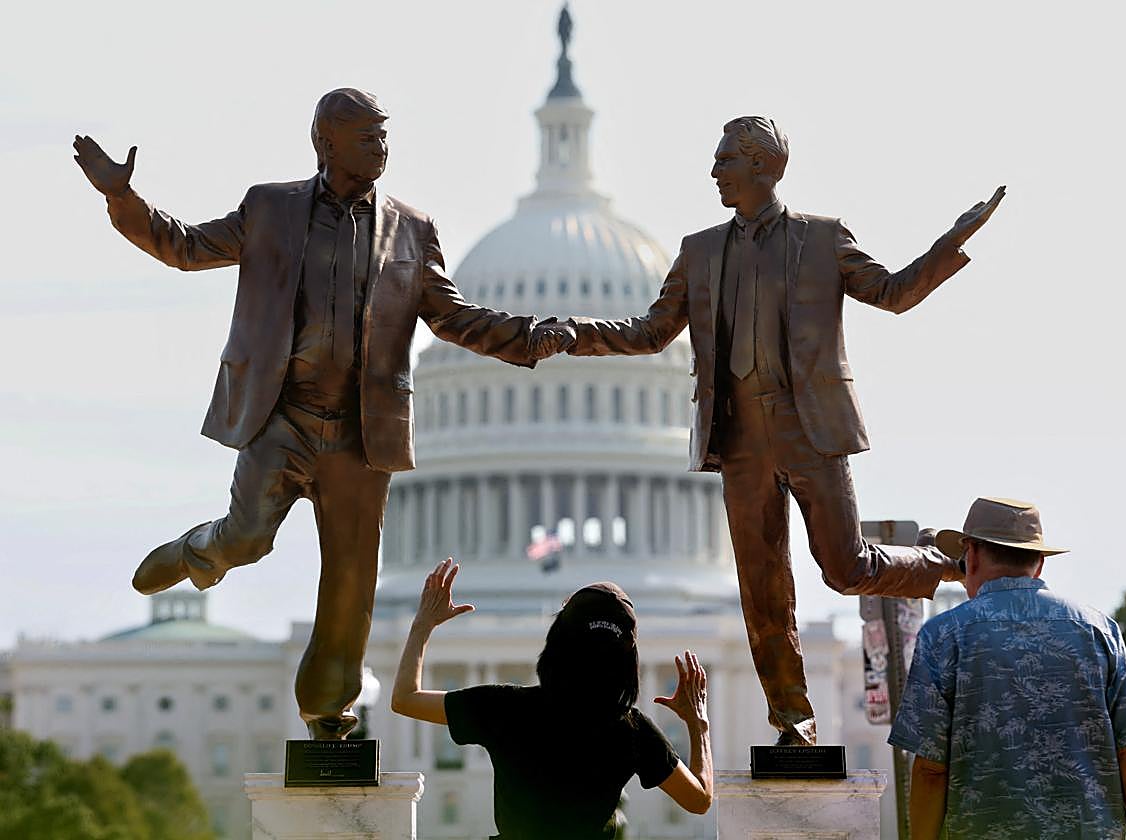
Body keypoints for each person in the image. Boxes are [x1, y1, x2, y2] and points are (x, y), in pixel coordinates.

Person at [72, 89, 574, 740]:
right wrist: (122, 199)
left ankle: (327, 705)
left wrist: (529, 336)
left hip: (362, 431)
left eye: (385, 137)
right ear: (326, 143)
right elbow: (185, 246)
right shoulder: (270, 208)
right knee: (249, 538)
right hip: (283, 414)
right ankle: (201, 548)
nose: (381, 148)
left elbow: (451, 316)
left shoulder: (411, 229)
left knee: (350, 578)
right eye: (367, 137)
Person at [529, 116, 1003, 745]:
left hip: (810, 428)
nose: (714, 171)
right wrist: (575, 333)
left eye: (727, 159)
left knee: (846, 568)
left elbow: (892, 293)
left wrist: (951, 243)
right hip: (741, 438)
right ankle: (793, 720)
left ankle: (940, 560)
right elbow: (649, 333)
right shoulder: (700, 251)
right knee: (763, 595)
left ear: (765, 167)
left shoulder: (822, 239)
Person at [889, 497, 1126, 839]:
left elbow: (931, 770)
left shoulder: (943, 635)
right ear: (1040, 564)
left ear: (970, 555)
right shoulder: (1099, 630)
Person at [392, 559, 713, 839]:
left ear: (558, 642)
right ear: (627, 660)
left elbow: (405, 699)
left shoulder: (506, 708)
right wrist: (698, 724)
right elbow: (699, 800)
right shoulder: (631, 730)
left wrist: (423, 624)